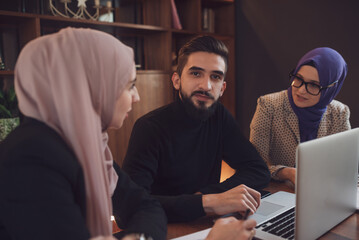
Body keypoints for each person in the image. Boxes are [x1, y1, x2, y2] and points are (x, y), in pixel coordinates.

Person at [0, 27, 167, 240]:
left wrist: (138, 238)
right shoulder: (29, 156)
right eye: (130, 86)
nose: (137, 97)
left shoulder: (88, 143)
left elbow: (146, 206)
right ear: (90, 87)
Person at [122, 35, 271, 223]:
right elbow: (129, 207)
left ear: (222, 88)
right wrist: (208, 202)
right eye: (196, 73)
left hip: (204, 224)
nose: (206, 86)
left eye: (215, 77)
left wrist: (209, 196)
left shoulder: (219, 116)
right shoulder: (149, 128)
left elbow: (258, 170)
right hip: (163, 228)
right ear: (176, 81)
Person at [250, 47, 350, 185]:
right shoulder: (269, 106)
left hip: (324, 192)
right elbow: (252, 165)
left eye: (314, 85)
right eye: (298, 78)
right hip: (279, 190)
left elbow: (346, 167)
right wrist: (286, 172)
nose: (301, 90)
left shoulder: (339, 113)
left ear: (331, 88)